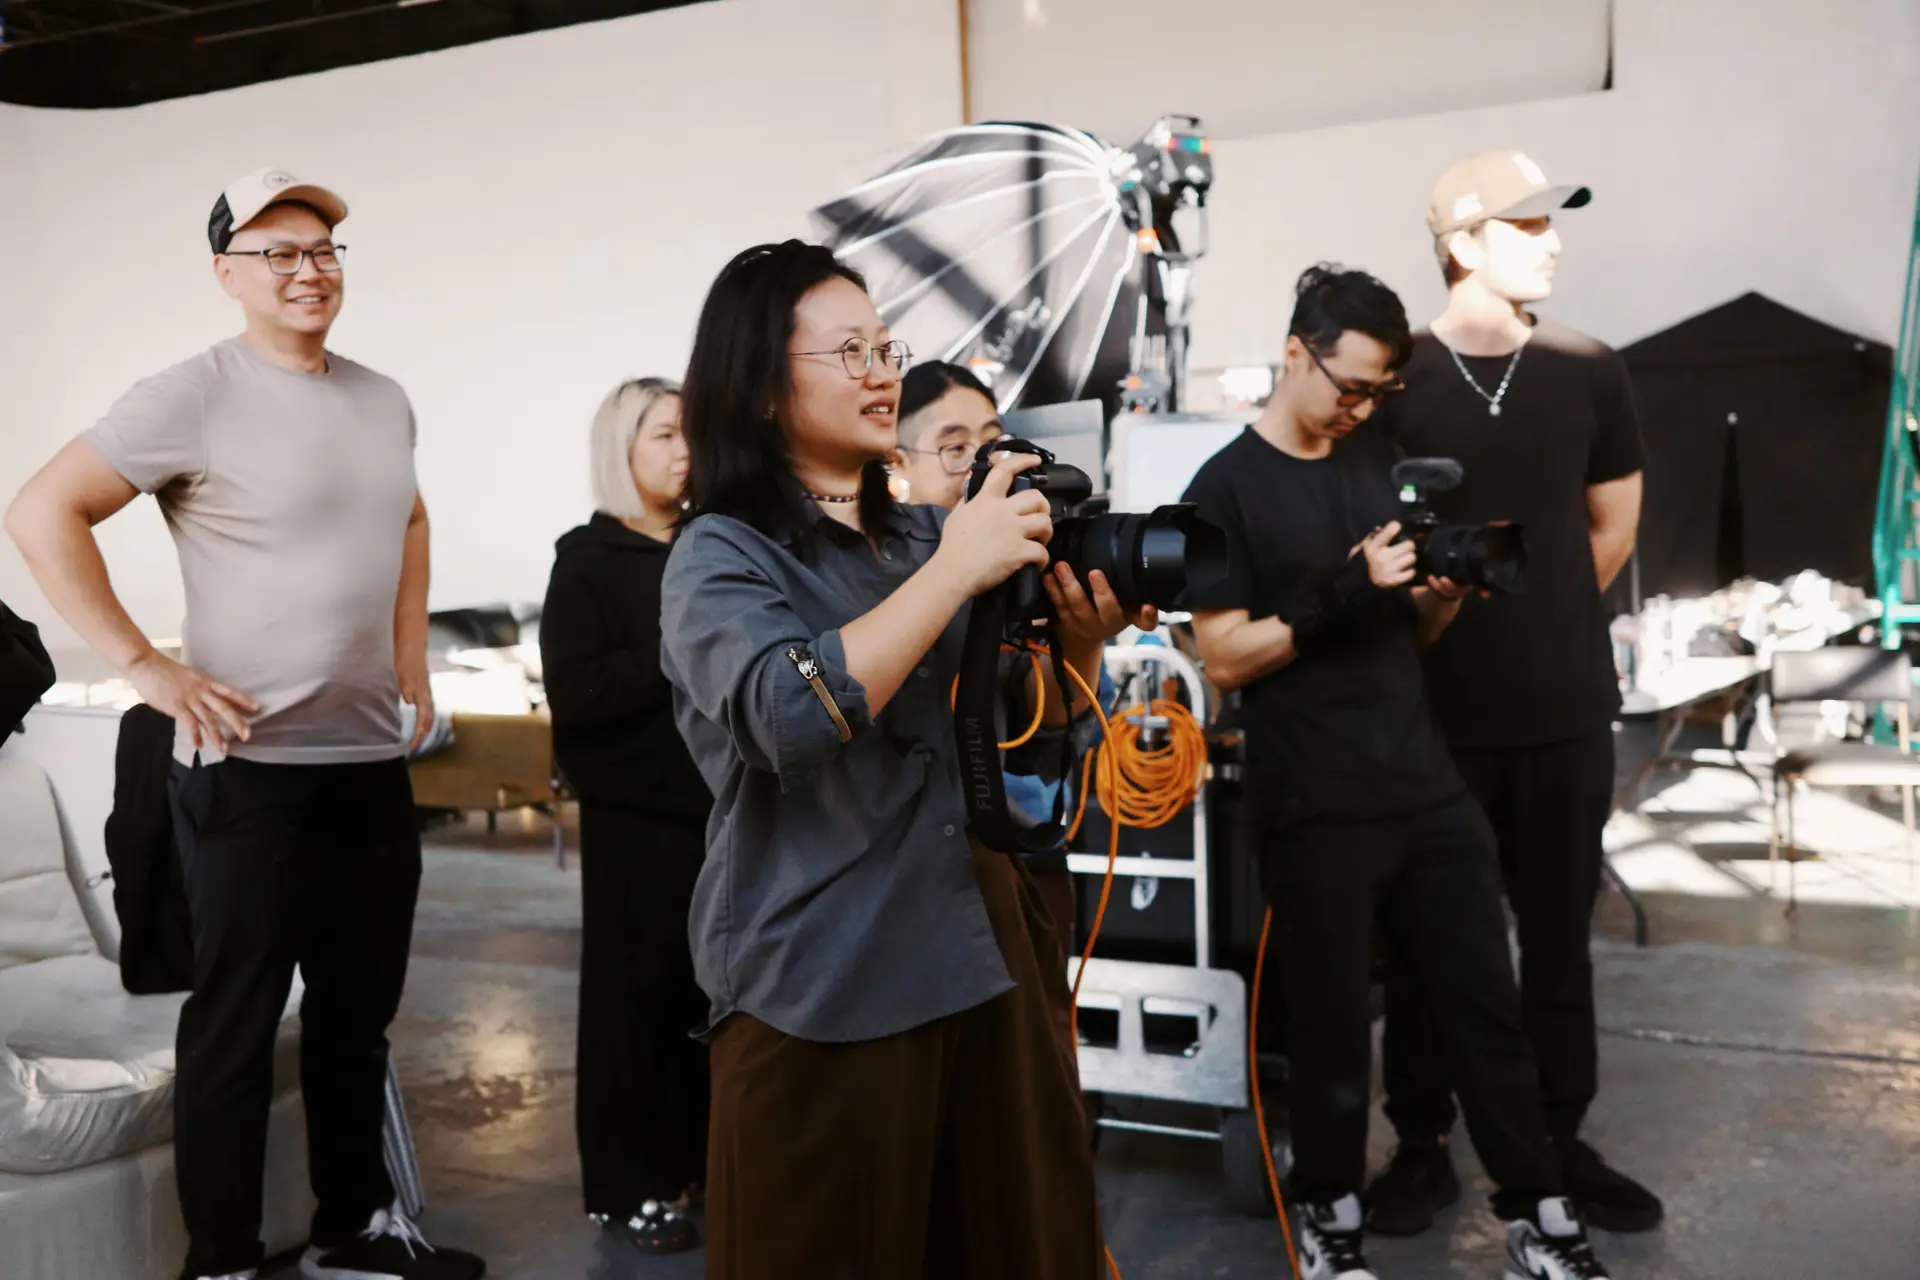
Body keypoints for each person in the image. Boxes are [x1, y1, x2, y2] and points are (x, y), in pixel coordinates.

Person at [3, 167, 483, 1280]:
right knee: (235, 1020)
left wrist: (409, 654)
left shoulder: (381, 397)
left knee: (357, 1019)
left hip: (367, 759)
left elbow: (408, 513)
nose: (308, 268)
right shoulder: (189, 395)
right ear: (227, 274)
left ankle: (351, 1229)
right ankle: (219, 1260)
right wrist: (142, 665)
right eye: (278, 251)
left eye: (323, 249)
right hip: (245, 766)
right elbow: (40, 509)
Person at [658, 239, 1146, 1279]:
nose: (883, 371)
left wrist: (1081, 640)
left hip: (982, 954)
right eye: (850, 352)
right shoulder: (724, 553)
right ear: (757, 383)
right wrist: (958, 569)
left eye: (886, 345)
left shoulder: (930, 533)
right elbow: (786, 716)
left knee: (1025, 1247)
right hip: (827, 976)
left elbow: (1021, 724)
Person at [1181, 264, 1612, 1280]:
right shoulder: (1220, 489)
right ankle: (1332, 1228)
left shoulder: (1376, 459)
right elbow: (1225, 655)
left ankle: (1539, 1215)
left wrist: (1447, 591)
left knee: (1484, 1004)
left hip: (1422, 785)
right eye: (1351, 386)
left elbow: (1407, 632)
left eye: (1379, 393)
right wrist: (1342, 586)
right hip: (1315, 801)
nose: (1363, 408)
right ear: (1296, 353)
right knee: (1333, 1029)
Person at [1369, 151, 1659, 1238]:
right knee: (1427, 941)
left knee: (1556, 939)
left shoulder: (1591, 369)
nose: (1556, 241)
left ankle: (1557, 1140)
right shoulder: (1399, 382)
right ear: (1465, 244)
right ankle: (1424, 1141)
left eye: (1554, 222)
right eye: (1531, 224)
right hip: (1433, 721)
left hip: (1566, 713)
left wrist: (1537, 620)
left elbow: (1613, 525)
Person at [539, 376, 711, 1255]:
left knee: (707, 1000)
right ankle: (626, 1185)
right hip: (637, 821)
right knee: (633, 1007)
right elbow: (578, 696)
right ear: (624, 450)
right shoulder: (588, 560)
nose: (685, 453)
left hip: (722, 810)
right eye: (665, 437)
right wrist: (678, 651)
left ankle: (697, 1165)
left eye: (692, 436)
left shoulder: (712, 543)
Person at [889, 359, 1117, 951]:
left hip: (1020, 860)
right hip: (906, 887)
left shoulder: (1021, 561)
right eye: (954, 448)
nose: (984, 468)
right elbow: (808, 693)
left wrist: (1085, 635)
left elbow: (1049, 720)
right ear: (897, 466)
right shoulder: (875, 581)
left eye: (992, 444)